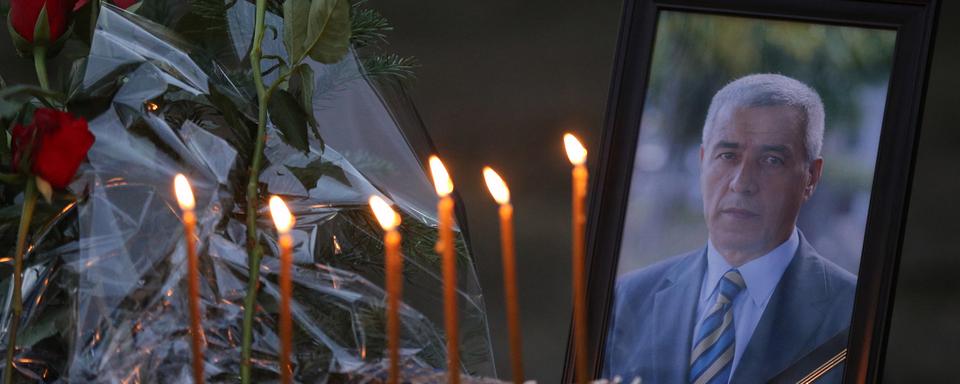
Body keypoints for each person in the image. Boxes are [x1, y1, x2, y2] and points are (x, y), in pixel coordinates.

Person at [603, 74, 856, 384]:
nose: (741, 182)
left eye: (772, 160)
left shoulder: (858, 314)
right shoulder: (626, 300)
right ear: (702, 161)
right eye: (727, 156)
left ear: (811, 179)